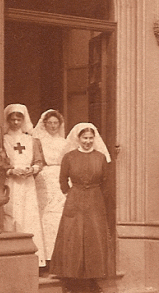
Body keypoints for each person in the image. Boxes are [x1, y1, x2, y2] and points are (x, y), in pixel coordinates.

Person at [50, 123, 113, 290]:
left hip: (95, 199)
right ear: (78, 138)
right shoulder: (69, 157)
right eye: (85, 138)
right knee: (74, 235)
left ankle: (93, 278)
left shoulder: (100, 157)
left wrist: (98, 197)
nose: (88, 141)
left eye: (91, 138)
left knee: (94, 237)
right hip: (75, 199)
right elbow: (63, 180)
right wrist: (71, 194)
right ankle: (72, 278)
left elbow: (106, 182)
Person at [3, 103, 46, 268]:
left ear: (23, 120)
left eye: (18, 119)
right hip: (11, 183)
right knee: (12, 215)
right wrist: (11, 171)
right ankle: (11, 260)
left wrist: (32, 169)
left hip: (28, 184)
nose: (15, 122)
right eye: (12, 119)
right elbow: (1, 163)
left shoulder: (31, 140)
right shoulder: (4, 139)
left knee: (29, 216)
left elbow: (39, 161)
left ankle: (33, 260)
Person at [33, 109, 67, 269]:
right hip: (44, 177)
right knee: (45, 215)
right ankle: (44, 257)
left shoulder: (64, 141)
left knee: (59, 215)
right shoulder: (38, 140)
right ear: (44, 124)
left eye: (56, 123)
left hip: (60, 177)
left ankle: (58, 256)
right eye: (50, 123)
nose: (53, 126)